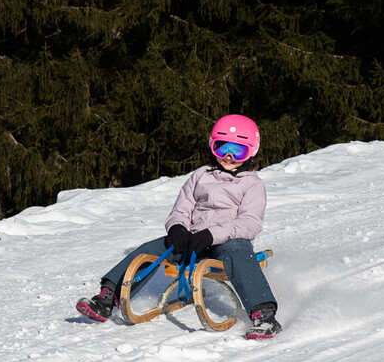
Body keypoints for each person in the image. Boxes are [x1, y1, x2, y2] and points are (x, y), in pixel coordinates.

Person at [76, 114, 280, 340]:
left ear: (251, 152)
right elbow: (181, 209)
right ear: (212, 148)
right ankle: (108, 296)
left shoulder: (252, 184)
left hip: (227, 241)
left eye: (238, 151)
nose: (229, 157)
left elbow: (249, 223)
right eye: (222, 149)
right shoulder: (200, 176)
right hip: (194, 240)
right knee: (151, 249)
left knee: (240, 252)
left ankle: (264, 315)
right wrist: (177, 228)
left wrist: (212, 234)